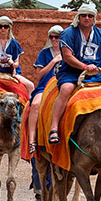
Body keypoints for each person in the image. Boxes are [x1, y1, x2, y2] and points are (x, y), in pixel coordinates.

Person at [47, 5, 101, 146]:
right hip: (72, 72)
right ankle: (54, 128)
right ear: (78, 17)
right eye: (84, 15)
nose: (87, 18)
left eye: (90, 16)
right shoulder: (68, 33)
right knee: (66, 89)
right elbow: (68, 56)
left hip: (97, 74)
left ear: (94, 18)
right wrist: (84, 67)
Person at [25, 25, 64, 155]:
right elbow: (39, 75)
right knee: (35, 104)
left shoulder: (68, 51)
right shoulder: (44, 53)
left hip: (63, 84)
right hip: (45, 86)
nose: (54, 39)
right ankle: (32, 141)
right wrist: (53, 61)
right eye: (51, 37)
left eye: (56, 37)